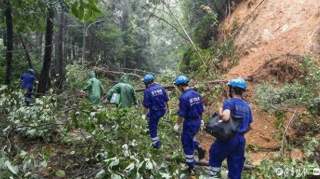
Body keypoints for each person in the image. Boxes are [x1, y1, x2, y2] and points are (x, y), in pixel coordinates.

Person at [208, 78, 253, 179]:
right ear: (242, 91)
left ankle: (213, 176)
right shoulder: (247, 106)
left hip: (228, 138)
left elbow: (226, 117)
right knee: (236, 168)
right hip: (241, 140)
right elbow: (249, 126)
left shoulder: (229, 102)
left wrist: (220, 111)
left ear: (232, 89)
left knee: (215, 154)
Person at [174, 75, 206, 174]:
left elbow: (181, 114)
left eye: (177, 87)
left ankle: (191, 167)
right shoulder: (197, 94)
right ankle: (199, 148)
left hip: (189, 123)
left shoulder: (184, 97)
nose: (178, 89)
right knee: (192, 138)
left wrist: (177, 125)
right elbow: (201, 109)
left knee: (186, 142)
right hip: (197, 120)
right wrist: (201, 120)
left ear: (181, 86)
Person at [142, 74, 169, 149]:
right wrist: (168, 109)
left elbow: (146, 105)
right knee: (149, 116)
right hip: (162, 110)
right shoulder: (161, 88)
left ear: (147, 83)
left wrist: (143, 115)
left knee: (152, 126)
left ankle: (156, 144)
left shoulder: (147, 91)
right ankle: (147, 129)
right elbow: (166, 100)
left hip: (155, 112)